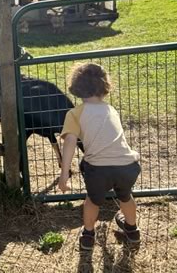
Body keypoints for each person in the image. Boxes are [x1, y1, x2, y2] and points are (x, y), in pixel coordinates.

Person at [58, 63, 141, 251]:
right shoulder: (111, 110)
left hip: (99, 169)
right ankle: (132, 230)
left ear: (76, 87)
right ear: (105, 87)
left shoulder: (74, 113)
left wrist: (64, 175)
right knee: (126, 197)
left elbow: (70, 143)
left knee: (92, 201)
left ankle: (88, 235)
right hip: (128, 166)